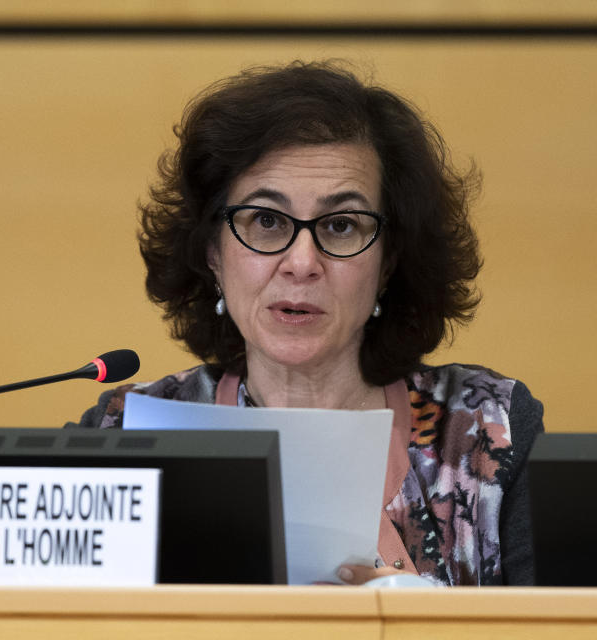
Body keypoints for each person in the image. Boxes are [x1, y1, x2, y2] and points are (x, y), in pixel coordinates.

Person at [70, 61, 544, 586]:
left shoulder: (486, 430)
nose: (301, 261)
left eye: (340, 225)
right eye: (267, 220)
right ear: (212, 252)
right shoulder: (127, 433)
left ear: (387, 262)